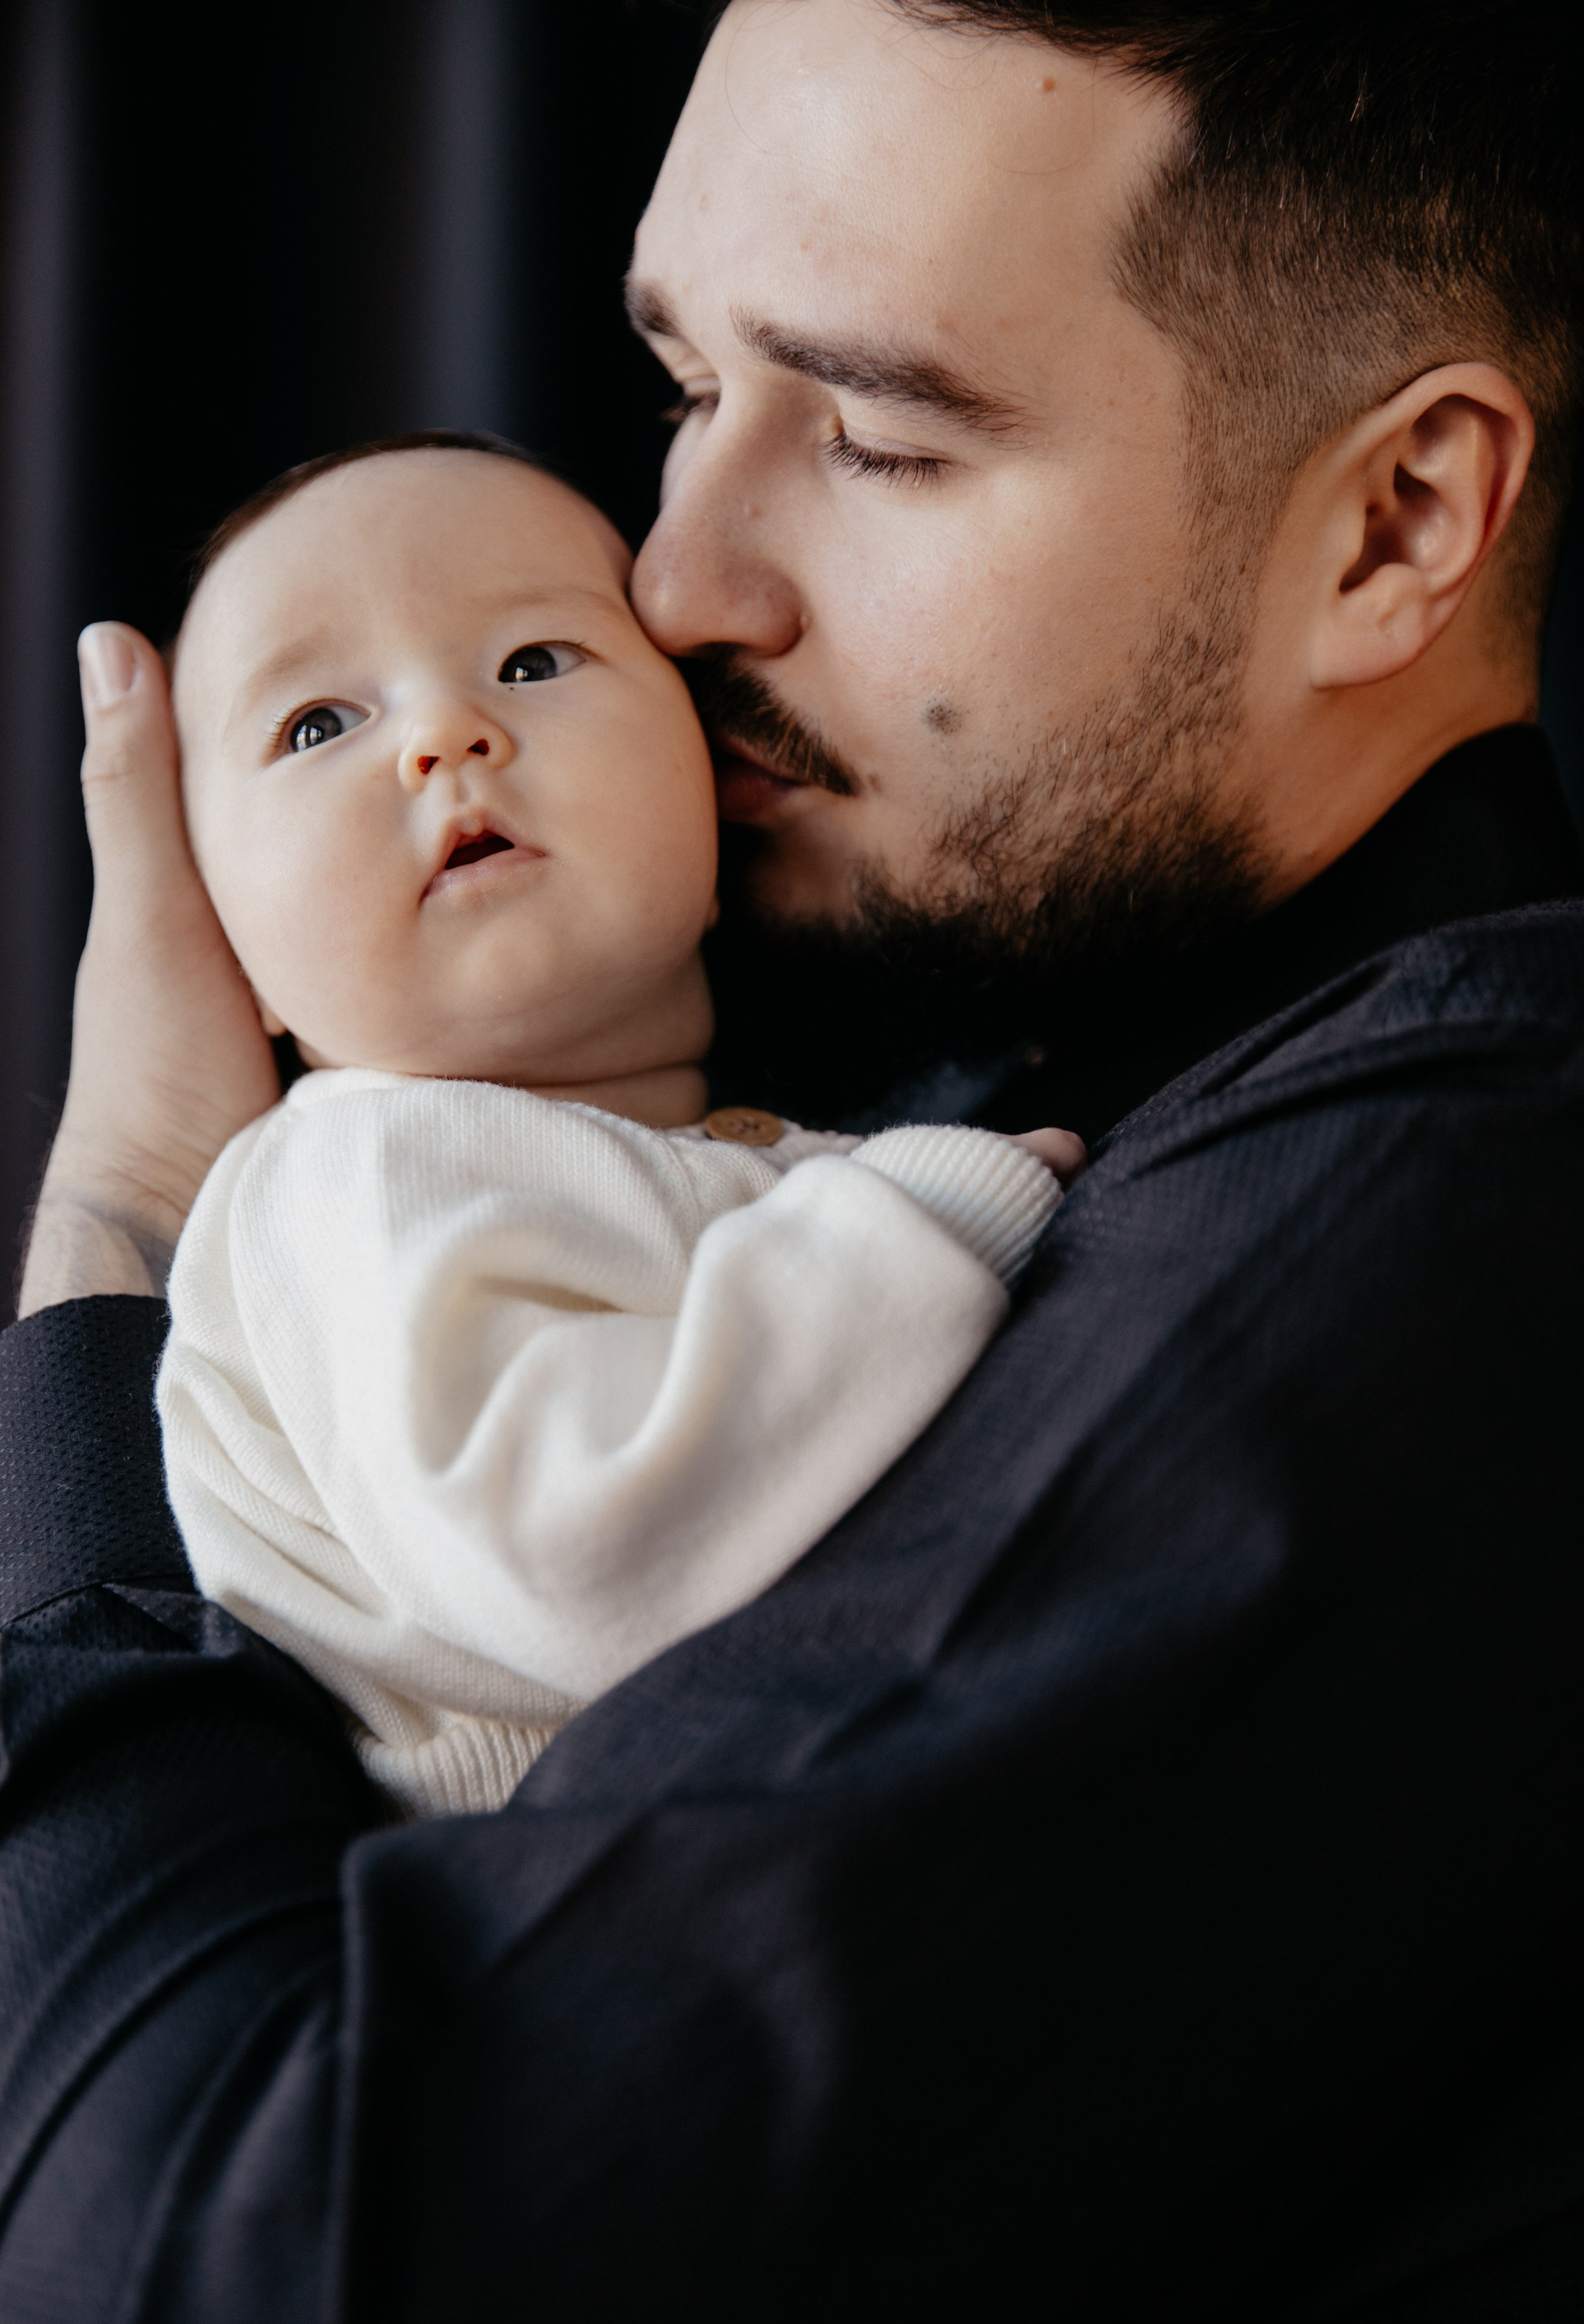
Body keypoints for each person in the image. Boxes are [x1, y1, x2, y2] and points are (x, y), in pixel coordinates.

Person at [2, 2, 1582, 2324]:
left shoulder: (1441, 1235)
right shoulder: (917, 1062)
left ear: (1394, 526)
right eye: (682, 393)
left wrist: (114, 1260)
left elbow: (224, 2291)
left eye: (873, 435)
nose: (674, 578)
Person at [157, 430, 1065, 1819]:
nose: (443, 737)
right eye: (316, 725)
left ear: (716, 799)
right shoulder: (356, 1175)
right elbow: (580, 1549)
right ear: (227, 948)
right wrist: (914, 1227)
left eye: (530, 663)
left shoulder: (679, 1149)